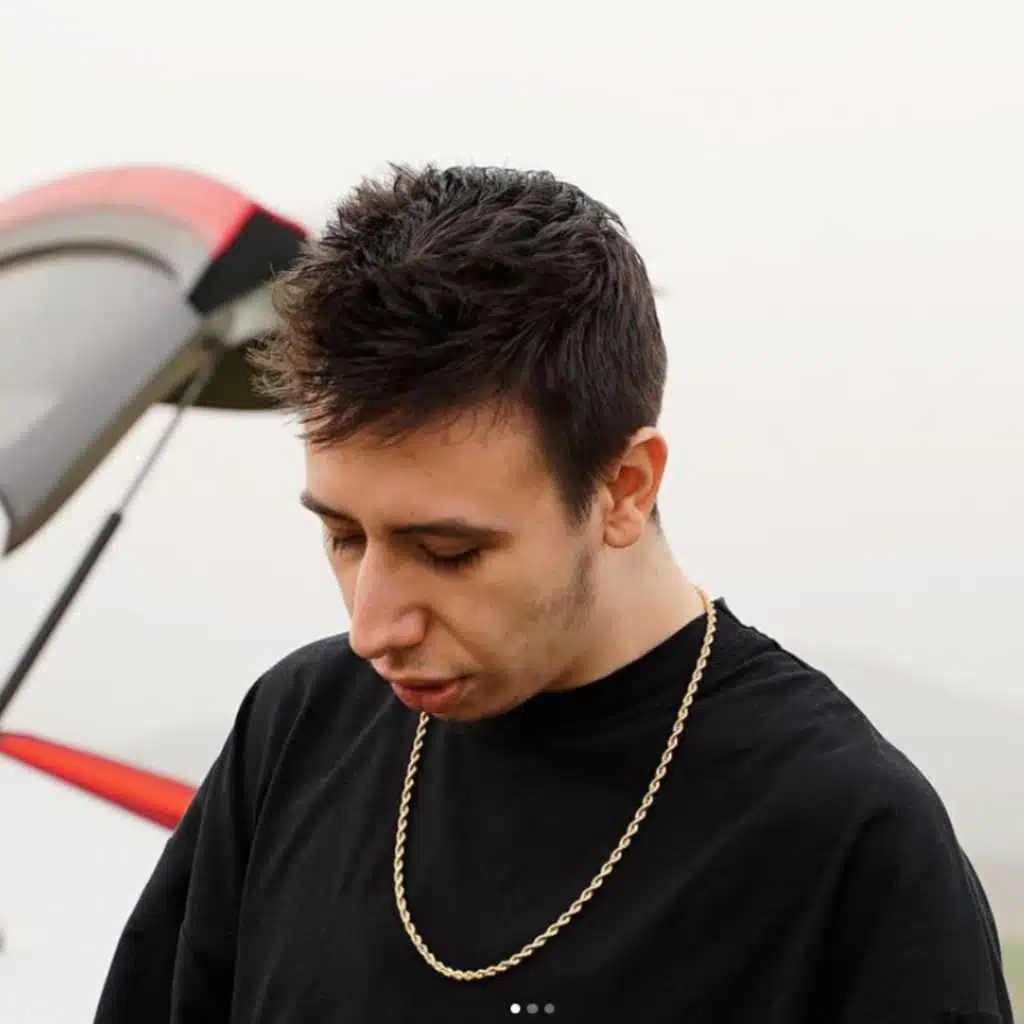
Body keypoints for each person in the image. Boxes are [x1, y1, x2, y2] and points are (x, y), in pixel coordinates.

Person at [93, 165, 1013, 1023]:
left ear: (624, 489)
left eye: (448, 552)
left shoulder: (849, 835)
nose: (374, 629)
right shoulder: (296, 728)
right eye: (343, 535)